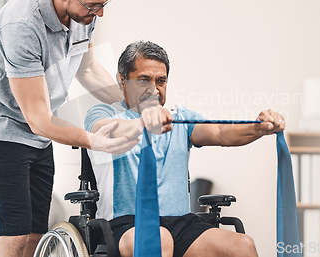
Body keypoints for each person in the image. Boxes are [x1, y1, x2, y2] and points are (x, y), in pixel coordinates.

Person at [0, 0, 138, 257]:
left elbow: (87, 70)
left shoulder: (83, 14)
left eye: (105, 2)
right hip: (2, 130)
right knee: (15, 235)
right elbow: (39, 119)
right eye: (93, 5)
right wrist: (94, 141)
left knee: (37, 233)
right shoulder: (21, 26)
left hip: (39, 133)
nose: (100, 13)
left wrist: (135, 102)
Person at [84, 40, 285, 257]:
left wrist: (259, 128)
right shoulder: (103, 114)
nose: (154, 90)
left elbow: (220, 133)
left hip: (180, 224)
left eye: (161, 81)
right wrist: (141, 123)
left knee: (242, 245)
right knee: (159, 240)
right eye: (144, 80)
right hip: (127, 224)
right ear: (122, 80)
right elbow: (104, 132)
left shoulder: (179, 117)